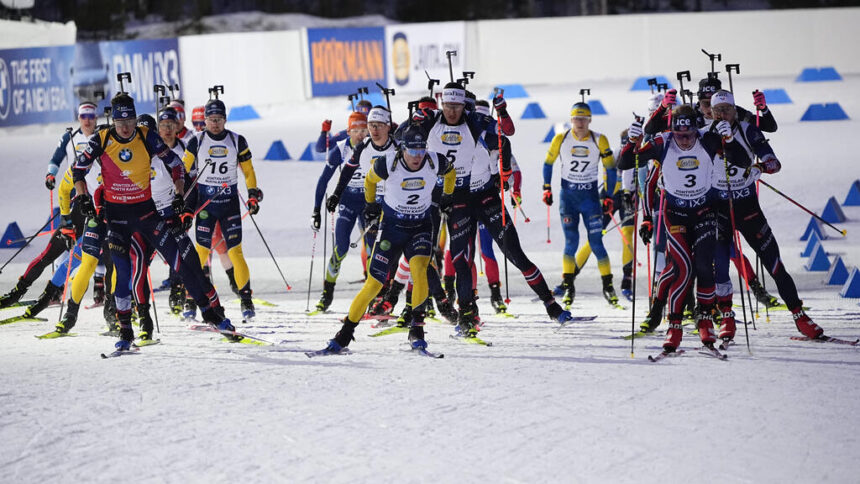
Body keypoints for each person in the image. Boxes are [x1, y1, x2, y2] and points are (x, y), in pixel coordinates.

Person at [73, 92, 235, 351]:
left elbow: (177, 166)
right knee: (124, 274)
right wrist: (82, 198)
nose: (125, 127)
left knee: (181, 263)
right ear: (113, 120)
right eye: (120, 122)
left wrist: (180, 196)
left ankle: (213, 315)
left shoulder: (146, 135)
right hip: (118, 220)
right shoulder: (101, 139)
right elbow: (77, 170)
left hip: (148, 215)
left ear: (135, 118)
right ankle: (127, 331)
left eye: (130, 121)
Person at [416, 82, 571, 335]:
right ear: (442, 104)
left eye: (457, 106)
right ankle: (467, 314)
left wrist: (503, 113)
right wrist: (415, 120)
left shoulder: (475, 122)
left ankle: (551, 304)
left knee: (515, 254)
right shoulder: (433, 121)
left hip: (486, 197)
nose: (452, 111)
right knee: (461, 260)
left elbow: (506, 136)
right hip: (459, 200)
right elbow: (405, 138)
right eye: (448, 106)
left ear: (463, 105)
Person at [620, 104, 751, 353]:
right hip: (675, 213)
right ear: (672, 130)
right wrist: (632, 141)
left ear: (696, 129)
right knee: (682, 268)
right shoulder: (662, 142)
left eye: (690, 134)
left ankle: (704, 320)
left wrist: (730, 139)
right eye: (680, 135)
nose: (685, 140)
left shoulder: (708, 139)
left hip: (704, 210)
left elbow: (743, 161)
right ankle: (674, 325)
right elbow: (626, 162)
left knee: (704, 264)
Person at [322, 123, 455, 353]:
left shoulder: (435, 160)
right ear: (402, 149)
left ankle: (417, 329)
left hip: (420, 227)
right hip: (392, 228)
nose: (417, 156)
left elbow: (451, 172)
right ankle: (344, 334)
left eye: (421, 150)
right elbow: (369, 180)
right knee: (374, 283)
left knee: (420, 270)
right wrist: (371, 205)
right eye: (412, 151)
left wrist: (447, 197)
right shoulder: (389, 163)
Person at [707, 90, 825, 341]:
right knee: (720, 266)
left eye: (727, 110)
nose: (722, 115)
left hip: (747, 207)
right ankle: (726, 317)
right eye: (718, 112)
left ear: (735, 110)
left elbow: (774, 162)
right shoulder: (707, 135)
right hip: (719, 209)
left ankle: (799, 315)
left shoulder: (748, 130)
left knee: (774, 262)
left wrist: (760, 168)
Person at [0, 102, 97, 309]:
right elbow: (56, 158)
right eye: (83, 116)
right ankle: (22, 291)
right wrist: (50, 174)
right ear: (78, 118)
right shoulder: (71, 138)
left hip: (97, 204)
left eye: (91, 115)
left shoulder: (102, 139)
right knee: (57, 252)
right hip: (73, 198)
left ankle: (97, 293)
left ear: (96, 117)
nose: (87, 120)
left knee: (87, 255)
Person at [182, 98, 261, 321]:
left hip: (229, 206)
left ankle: (246, 299)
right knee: (200, 254)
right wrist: (180, 198)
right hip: (206, 206)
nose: (214, 124)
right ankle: (191, 300)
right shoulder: (196, 141)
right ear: (204, 120)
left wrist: (253, 193)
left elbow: (248, 171)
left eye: (218, 119)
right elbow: (182, 170)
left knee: (235, 252)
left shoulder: (237, 140)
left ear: (225, 119)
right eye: (210, 119)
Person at [542, 102, 618, 307]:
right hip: (568, 198)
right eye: (576, 119)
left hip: (590, 199)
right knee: (571, 243)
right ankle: (569, 287)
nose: (580, 123)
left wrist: (609, 195)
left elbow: (611, 169)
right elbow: (548, 163)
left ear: (590, 120)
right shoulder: (561, 138)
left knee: (596, 243)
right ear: (571, 120)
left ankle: (608, 286)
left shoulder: (599, 139)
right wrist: (546, 187)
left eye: (584, 119)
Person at [310, 112, 369, 312]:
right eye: (356, 131)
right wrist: (316, 210)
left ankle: (375, 295)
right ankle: (327, 292)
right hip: (347, 201)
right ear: (349, 131)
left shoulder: (372, 146)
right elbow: (322, 180)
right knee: (341, 248)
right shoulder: (341, 148)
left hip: (369, 202)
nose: (360, 135)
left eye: (364, 130)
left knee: (372, 250)